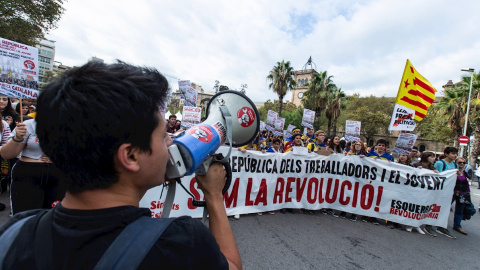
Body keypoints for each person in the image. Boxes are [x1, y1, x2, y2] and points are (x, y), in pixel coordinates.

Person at [0, 61, 242, 270]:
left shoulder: (14, 234)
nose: (170, 142)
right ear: (131, 156)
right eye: (162, 136)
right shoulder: (179, 242)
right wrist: (213, 196)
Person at [423, 146, 459, 239]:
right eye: (453, 153)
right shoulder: (440, 163)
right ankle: (428, 225)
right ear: (446, 154)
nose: (455, 155)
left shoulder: (455, 165)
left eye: (456, 154)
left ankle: (441, 226)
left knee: (445, 208)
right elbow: (436, 175)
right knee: (434, 206)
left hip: (448, 191)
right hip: (438, 190)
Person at [452, 157, 471, 235]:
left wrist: (468, 193)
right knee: (445, 207)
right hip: (452, 192)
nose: (462, 164)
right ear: (456, 162)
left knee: (460, 210)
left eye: (463, 163)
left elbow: (466, 184)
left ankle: (457, 226)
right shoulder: (452, 171)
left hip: (462, 194)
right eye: (460, 162)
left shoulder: (465, 172)